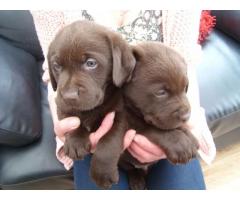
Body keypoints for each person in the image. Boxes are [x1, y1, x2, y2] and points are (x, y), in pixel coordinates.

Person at [31, 10, 216, 189]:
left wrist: (186, 122)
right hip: (90, 135)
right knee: (100, 179)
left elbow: (184, 64)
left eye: (90, 63)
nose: (70, 90)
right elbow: (52, 72)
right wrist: (70, 130)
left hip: (162, 121)